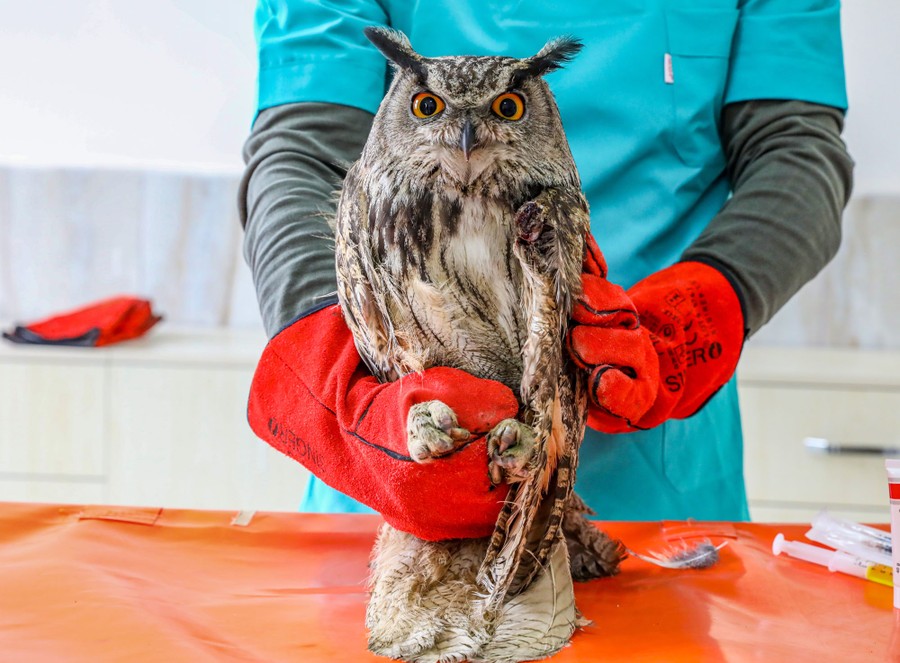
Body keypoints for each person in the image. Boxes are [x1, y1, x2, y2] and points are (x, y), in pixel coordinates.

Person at [239, 1, 853, 539]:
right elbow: (303, 150)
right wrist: (325, 361)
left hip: (650, 461)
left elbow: (796, 153)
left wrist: (703, 304)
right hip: (399, 443)